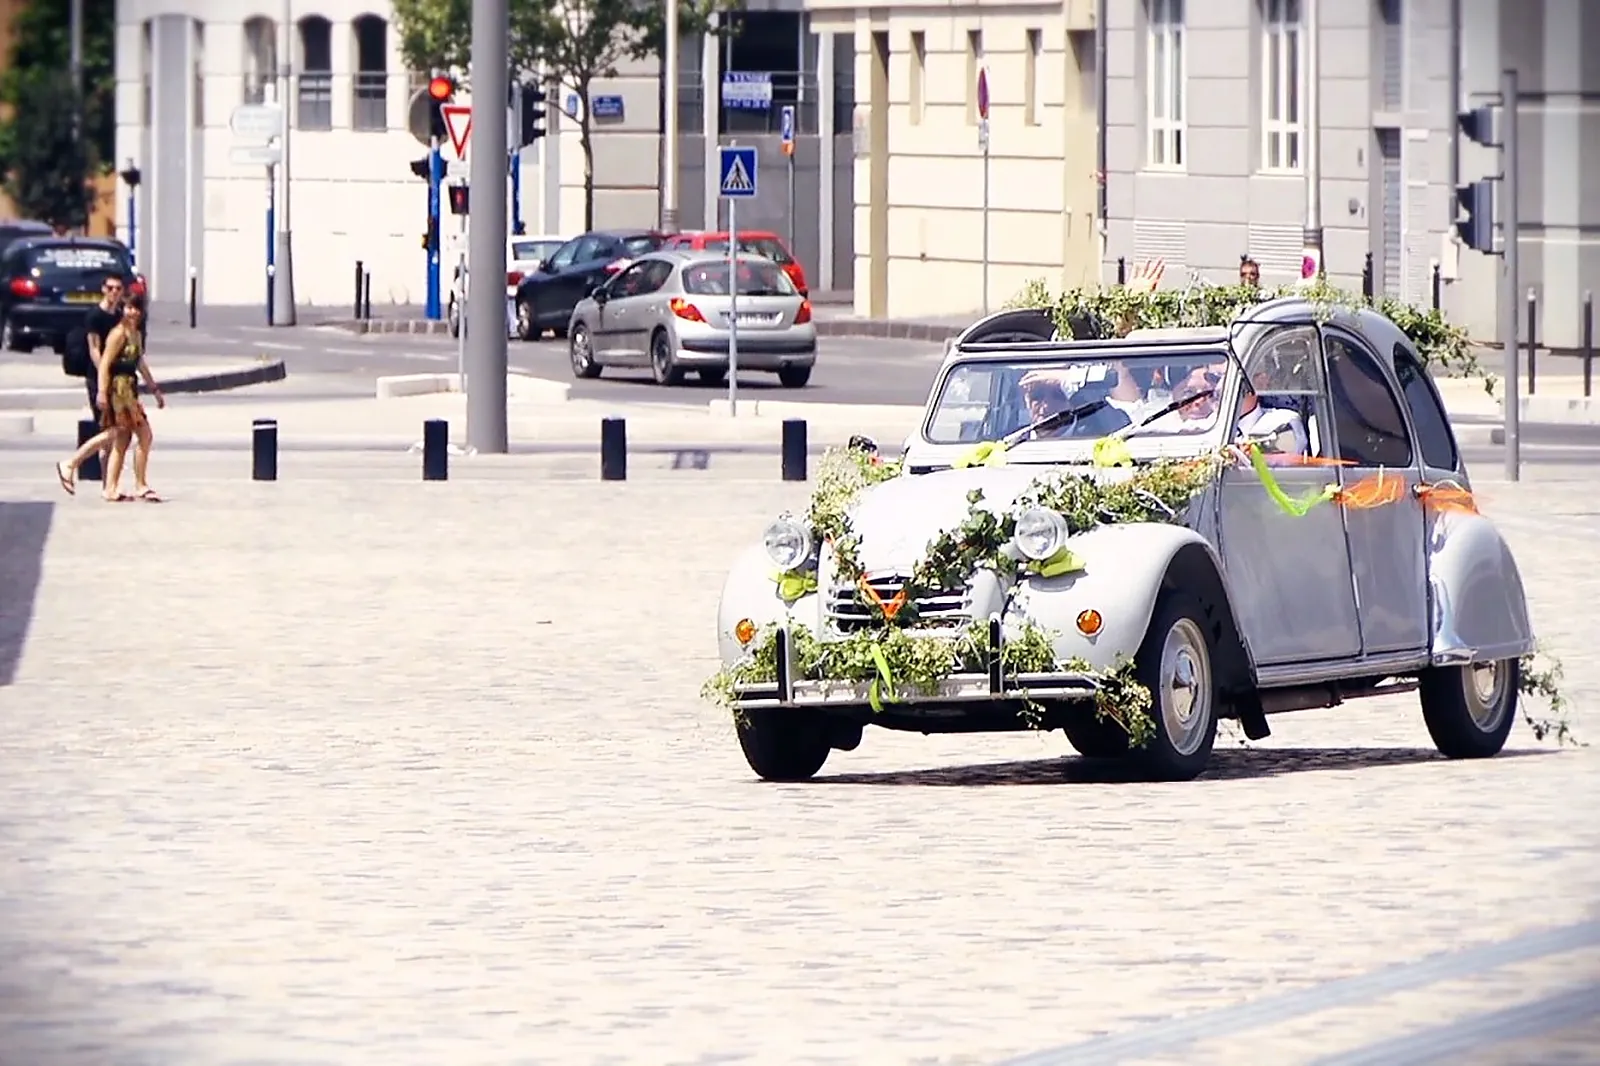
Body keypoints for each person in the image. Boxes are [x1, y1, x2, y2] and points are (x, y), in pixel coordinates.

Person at [61, 295, 164, 501]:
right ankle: (72, 463)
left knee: (121, 439)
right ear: (123, 309)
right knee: (139, 434)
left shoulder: (135, 333)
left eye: (137, 309)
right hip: (117, 391)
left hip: (129, 389)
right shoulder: (117, 334)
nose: (133, 312)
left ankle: (110, 488)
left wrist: (154, 389)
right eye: (129, 308)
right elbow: (105, 363)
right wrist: (102, 390)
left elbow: (139, 363)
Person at [56, 276, 126, 492]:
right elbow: (94, 349)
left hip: (119, 380)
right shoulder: (95, 316)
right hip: (98, 379)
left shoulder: (120, 315)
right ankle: (71, 463)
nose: (114, 292)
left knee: (112, 433)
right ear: (104, 289)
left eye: (118, 289)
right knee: (113, 429)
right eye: (110, 288)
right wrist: (104, 377)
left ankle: (108, 486)